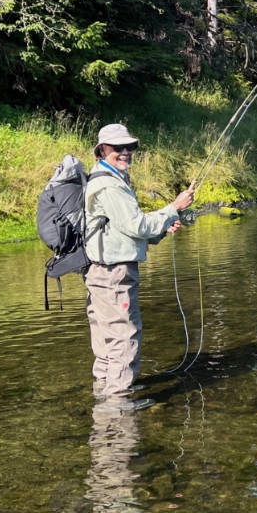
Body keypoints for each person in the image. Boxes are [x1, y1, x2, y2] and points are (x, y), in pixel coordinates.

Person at [84, 123, 195, 410]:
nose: (125, 152)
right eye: (117, 148)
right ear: (101, 151)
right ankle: (119, 401)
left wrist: (162, 228)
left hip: (103, 270)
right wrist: (174, 207)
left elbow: (125, 232)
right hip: (113, 274)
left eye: (129, 147)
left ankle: (107, 390)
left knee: (106, 335)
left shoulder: (110, 180)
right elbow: (135, 225)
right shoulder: (109, 185)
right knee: (124, 333)